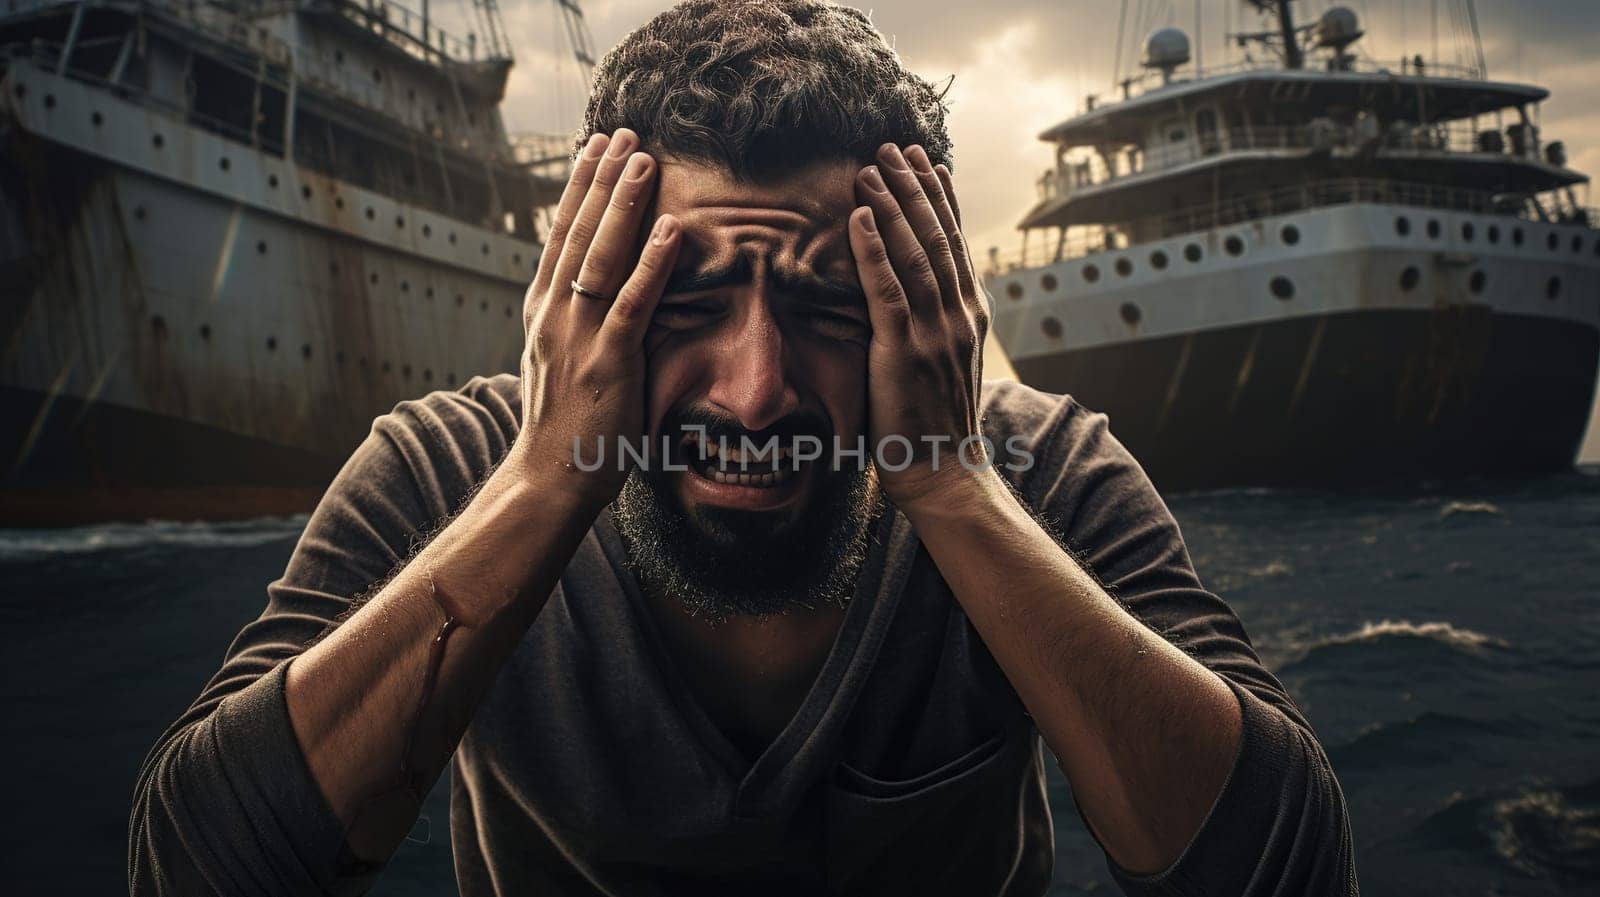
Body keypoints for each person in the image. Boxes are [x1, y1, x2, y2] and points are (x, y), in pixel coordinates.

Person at [129, 2, 1356, 894]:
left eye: (829, 307)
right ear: (583, 288)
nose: (756, 391)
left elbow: (1289, 866)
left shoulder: (1043, 475)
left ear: (921, 301)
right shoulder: (445, 475)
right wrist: (547, 481)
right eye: (684, 303)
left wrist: (951, 486)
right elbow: (192, 864)